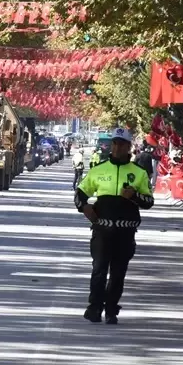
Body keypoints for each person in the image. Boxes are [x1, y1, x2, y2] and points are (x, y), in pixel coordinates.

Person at [75, 128, 154, 324]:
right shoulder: (99, 169)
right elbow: (80, 193)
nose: (117, 147)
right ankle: (94, 308)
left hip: (125, 233)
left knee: (118, 273)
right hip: (102, 231)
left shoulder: (139, 173)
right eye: (115, 143)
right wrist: (84, 207)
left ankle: (111, 310)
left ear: (129, 147)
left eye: (122, 144)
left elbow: (148, 202)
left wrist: (134, 196)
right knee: (99, 270)